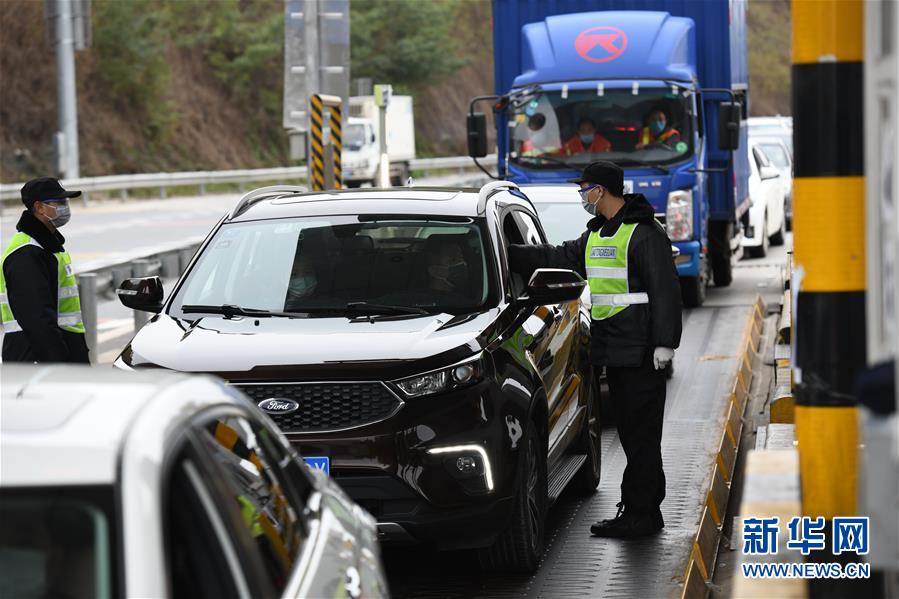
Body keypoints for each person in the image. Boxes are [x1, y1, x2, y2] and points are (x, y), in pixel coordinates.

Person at [508, 161, 682, 537]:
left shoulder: (644, 233)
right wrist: (508, 251)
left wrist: (665, 343)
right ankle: (644, 509)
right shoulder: (598, 235)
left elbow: (666, 288)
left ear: (601, 190)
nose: (582, 195)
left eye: (584, 187)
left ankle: (640, 515)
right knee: (634, 437)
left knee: (641, 436)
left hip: (641, 351)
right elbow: (557, 257)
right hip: (613, 349)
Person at [0, 177, 89, 363]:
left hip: (60, 352)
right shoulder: (26, 253)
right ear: (39, 207)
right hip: (36, 358)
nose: (65, 207)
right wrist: (59, 364)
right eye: (59, 202)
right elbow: (37, 320)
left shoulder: (47, 245)